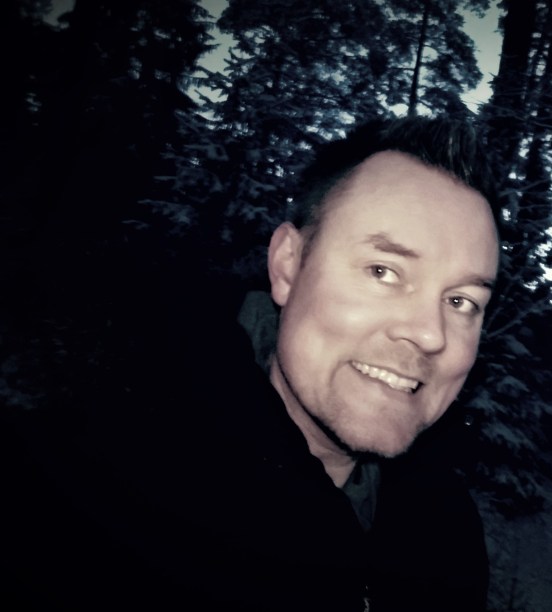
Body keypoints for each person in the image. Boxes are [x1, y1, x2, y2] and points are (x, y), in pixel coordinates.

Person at [5, 116, 502, 611]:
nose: (430, 334)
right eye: (383, 271)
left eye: (461, 302)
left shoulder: (446, 538)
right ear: (287, 265)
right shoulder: (93, 479)